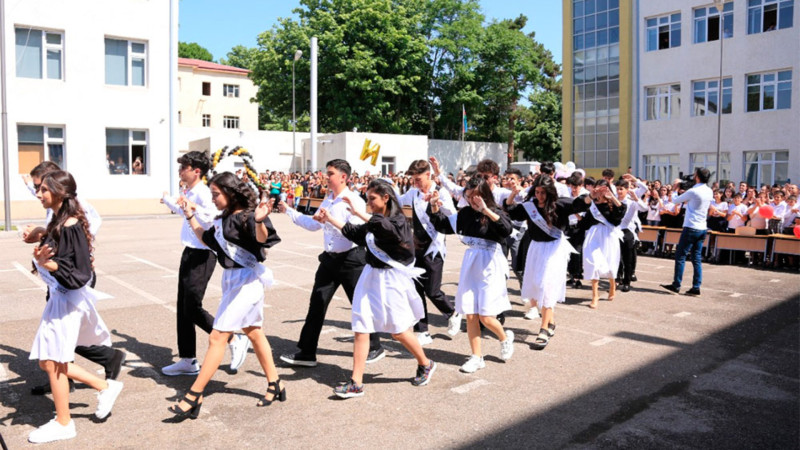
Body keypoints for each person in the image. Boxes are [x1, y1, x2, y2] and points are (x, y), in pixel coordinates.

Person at [170, 172, 284, 419]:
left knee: (218, 337)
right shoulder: (222, 220)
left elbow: (262, 241)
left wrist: (261, 221)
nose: (213, 199)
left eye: (216, 194)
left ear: (231, 193)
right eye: (211, 194)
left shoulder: (248, 217)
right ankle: (275, 383)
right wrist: (190, 215)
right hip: (232, 281)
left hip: (248, 283)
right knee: (254, 332)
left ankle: (193, 395)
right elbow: (206, 238)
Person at [27, 171, 123, 444]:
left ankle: (63, 422)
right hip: (60, 300)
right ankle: (104, 386)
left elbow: (79, 274)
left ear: (58, 192)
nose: (38, 194)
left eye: (43, 189)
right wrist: (40, 254)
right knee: (48, 361)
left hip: (69, 302)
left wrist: (49, 264)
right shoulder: (58, 221)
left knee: (55, 362)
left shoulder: (71, 225)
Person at [319, 180, 436, 398]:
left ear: (386, 198)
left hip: (391, 280)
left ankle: (426, 363)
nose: (368, 202)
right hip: (370, 275)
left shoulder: (397, 220)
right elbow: (355, 233)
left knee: (398, 331)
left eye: (372, 198)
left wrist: (362, 213)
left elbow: (386, 229)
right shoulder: (374, 221)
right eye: (368, 198)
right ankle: (356, 382)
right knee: (361, 326)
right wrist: (330, 220)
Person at [279, 159, 384, 367]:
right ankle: (306, 353)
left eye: (330, 173)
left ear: (343, 177)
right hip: (329, 260)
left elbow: (355, 234)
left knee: (360, 305)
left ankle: (375, 346)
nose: (326, 177)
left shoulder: (353, 200)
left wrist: (329, 220)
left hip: (351, 261)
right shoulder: (329, 200)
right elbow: (312, 224)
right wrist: (289, 211)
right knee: (317, 303)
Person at [160, 152, 250, 376]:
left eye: (184, 168)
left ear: (196, 171)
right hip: (189, 251)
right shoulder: (190, 191)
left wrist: (193, 206)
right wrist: (168, 200)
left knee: (192, 306)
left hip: (204, 254)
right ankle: (188, 359)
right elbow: (184, 209)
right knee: (183, 307)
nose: (180, 172)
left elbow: (213, 216)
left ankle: (232, 337)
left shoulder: (202, 192)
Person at [428, 177, 515, 373]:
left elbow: (506, 229)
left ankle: (504, 338)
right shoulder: (465, 213)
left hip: (490, 263)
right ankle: (477, 356)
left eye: (475, 197)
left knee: (486, 316)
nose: (471, 201)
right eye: (468, 197)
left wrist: (486, 210)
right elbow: (442, 225)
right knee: (471, 314)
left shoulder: (496, 212)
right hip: (471, 262)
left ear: (485, 195)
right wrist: (434, 207)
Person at [504, 175, 590, 350]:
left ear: (550, 192)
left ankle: (543, 329)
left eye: (543, 192)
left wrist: (592, 197)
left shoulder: (559, 205)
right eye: (537, 192)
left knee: (547, 286)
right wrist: (513, 193)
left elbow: (578, 205)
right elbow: (511, 211)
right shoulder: (530, 206)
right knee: (536, 285)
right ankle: (550, 323)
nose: (540, 196)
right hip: (535, 248)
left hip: (554, 249)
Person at [397, 160, 461, 345]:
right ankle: (422, 330)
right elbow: (399, 202)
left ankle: (452, 312)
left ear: (428, 175)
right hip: (416, 247)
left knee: (432, 291)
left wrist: (438, 204)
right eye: (413, 179)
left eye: (418, 179)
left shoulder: (440, 192)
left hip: (434, 247)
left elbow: (452, 214)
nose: (415, 183)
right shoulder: (413, 192)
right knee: (416, 291)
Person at [661, 168, 713, 296]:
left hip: (691, 227)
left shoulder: (694, 191)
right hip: (702, 227)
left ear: (698, 177)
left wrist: (675, 188)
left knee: (680, 256)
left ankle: (676, 285)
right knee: (696, 258)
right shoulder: (709, 190)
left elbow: (674, 200)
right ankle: (696, 286)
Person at [582, 179, 626, 309]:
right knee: (594, 264)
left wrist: (611, 197)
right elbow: (585, 222)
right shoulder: (592, 205)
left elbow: (620, 216)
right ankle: (595, 296)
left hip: (609, 236)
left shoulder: (612, 204)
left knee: (610, 264)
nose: (601, 191)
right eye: (598, 188)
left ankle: (613, 285)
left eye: (603, 188)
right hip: (594, 235)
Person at [616, 180, 648, 292]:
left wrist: (636, 199)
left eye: (621, 189)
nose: (619, 191)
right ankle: (617, 279)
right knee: (615, 258)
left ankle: (627, 281)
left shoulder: (631, 201)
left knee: (627, 258)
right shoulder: (614, 199)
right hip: (614, 231)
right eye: (617, 189)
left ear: (627, 190)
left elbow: (644, 208)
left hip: (627, 231)